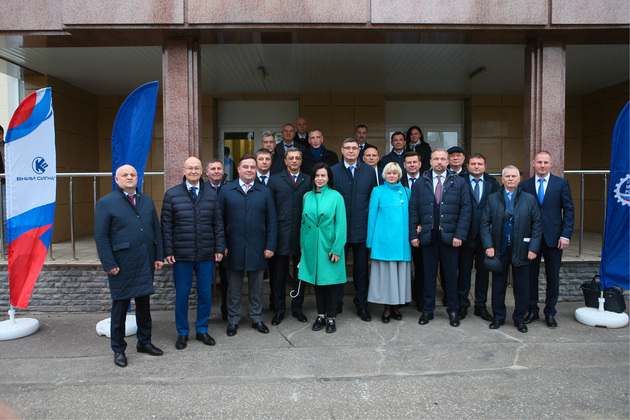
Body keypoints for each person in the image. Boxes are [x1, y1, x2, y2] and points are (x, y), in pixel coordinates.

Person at [94, 164, 164, 368]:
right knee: (120, 307)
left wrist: (158, 256)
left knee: (144, 305)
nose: (129, 177)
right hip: (121, 263)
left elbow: (156, 229)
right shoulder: (106, 203)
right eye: (124, 175)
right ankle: (118, 349)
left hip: (144, 259)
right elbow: (101, 236)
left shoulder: (146, 200)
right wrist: (108, 263)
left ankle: (144, 342)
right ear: (116, 180)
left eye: (133, 174)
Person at [161, 157, 225, 350]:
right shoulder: (172, 194)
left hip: (206, 253)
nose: (193, 171)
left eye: (197, 168)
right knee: (182, 294)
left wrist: (219, 248)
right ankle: (182, 332)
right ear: (183, 170)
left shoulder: (211, 194)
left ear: (202, 171)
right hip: (182, 254)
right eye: (190, 168)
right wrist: (168, 250)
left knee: (205, 294)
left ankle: (202, 330)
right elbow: (166, 226)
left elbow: (218, 224)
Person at [409, 149, 471, 327]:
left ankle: (453, 310)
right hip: (428, 237)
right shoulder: (421, 182)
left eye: (443, 159)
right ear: (430, 161)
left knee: (450, 277)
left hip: (450, 238)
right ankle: (428, 310)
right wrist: (413, 234)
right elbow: (413, 209)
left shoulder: (458, 182)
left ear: (448, 161)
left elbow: (465, 210)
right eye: (436, 159)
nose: (439, 162)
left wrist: (459, 235)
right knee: (428, 276)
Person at [218, 155, 278, 337]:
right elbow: (219, 221)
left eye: (252, 167)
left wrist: (270, 245)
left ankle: (257, 318)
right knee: (233, 288)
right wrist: (222, 245)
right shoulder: (226, 190)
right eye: (246, 166)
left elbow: (272, 221)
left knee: (257, 287)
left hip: (258, 247)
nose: (249, 170)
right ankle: (233, 320)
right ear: (238, 169)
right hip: (232, 247)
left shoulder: (264, 191)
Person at [480, 165, 542, 333]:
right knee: (498, 286)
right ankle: (498, 317)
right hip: (499, 249)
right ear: (502, 179)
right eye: (507, 176)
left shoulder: (529, 199)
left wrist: (533, 248)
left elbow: (537, 225)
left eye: (514, 176)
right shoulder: (493, 198)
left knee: (521, 287)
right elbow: (484, 224)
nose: (510, 179)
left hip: (522, 249)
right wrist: (489, 245)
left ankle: (519, 318)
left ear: (519, 178)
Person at [520, 150, 575, 328]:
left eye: (545, 162)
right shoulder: (525, 185)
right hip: (531, 239)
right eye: (539, 162)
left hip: (554, 238)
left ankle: (550, 312)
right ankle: (532, 310)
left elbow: (569, 211)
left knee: (553, 277)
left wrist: (565, 235)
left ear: (551, 164)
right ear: (533, 164)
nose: (542, 165)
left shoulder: (561, 183)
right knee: (531, 277)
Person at [331, 137, 377, 321]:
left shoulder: (369, 171)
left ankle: (362, 305)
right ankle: (336, 303)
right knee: (336, 269)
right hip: (338, 230)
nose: (351, 151)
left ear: (359, 151)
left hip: (361, 229)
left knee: (361, 271)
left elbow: (373, 199)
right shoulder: (333, 171)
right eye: (347, 148)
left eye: (354, 148)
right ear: (342, 150)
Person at [298, 162, 347, 333]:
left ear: (328, 178)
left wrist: (337, 248)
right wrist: (303, 245)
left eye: (323, 175)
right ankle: (321, 315)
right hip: (312, 245)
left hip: (329, 244)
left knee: (330, 283)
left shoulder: (336, 196)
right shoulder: (307, 196)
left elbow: (341, 224)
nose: (320, 179)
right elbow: (303, 223)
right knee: (317, 282)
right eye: (317, 176)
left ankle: (331, 317)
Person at [267, 148, 311, 325]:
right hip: (281, 234)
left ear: (301, 160)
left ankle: (297, 308)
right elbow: (270, 209)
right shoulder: (275, 180)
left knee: (300, 274)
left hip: (302, 234)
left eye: (297, 158)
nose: (294, 161)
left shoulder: (308, 179)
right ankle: (279, 309)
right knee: (278, 276)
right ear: (285, 161)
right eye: (291, 158)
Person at [367, 162, 412, 323]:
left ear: (399, 175)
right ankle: (387, 309)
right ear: (384, 175)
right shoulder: (377, 191)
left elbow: (412, 215)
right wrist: (370, 242)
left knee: (400, 276)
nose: (391, 175)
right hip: (384, 242)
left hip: (402, 243)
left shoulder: (406, 191)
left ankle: (396, 307)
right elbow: (372, 217)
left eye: (394, 173)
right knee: (386, 277)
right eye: (388, 173)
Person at [457, 153, 500, 321]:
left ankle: (480, 305)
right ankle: (462, 304)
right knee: (464, 272)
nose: (476, 166)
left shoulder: (493, 183)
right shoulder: (459, 181)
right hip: (465, 235)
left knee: (483, 274)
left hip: (485, 237)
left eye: (480, 164)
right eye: (473, 164)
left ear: (485, 166)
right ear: (467, 166)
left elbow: (497, 209)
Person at [206, 159, 229, 320]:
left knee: (226, 280)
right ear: (207, 172)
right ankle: (204, 315)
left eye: (219, 168)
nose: (216, 171)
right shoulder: (201, 190)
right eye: (213, 168)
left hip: (224, 242)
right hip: (206, 241)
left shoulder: (228, 190)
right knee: (205, 281)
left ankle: (226, 311)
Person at [402, 151, 424, 311]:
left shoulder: (427, 181)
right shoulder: (397, 180)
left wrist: (422, 223)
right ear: (404, 165)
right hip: (401, 231)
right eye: (409, 162)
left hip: (420, 231)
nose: (412, 165)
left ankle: (420, 298)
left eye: (414, 162)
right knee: (402, 266)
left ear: (420, 164)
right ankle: (402, 298)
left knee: (421, 267)